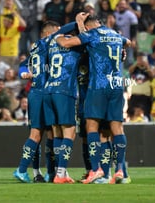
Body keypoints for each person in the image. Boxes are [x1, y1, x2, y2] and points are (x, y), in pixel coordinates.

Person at [56, 13, 131, 184]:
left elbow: (66, 42)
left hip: (99, 86)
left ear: (88, 26)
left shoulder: (91, 35)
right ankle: (120, 170)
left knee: (92, 127)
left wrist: (58, 35)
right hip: (117, 85)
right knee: (116, 128)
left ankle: (95, 169)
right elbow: (128, 42)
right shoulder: (115, 35)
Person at [13, 20, 76, 183]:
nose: (60, 34)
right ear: (49, 33)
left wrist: (23, 73)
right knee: (39, 134)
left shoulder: (38, 47)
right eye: (57, 31)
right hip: (44, 92)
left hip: (40, 92)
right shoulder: (49, 41)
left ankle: (51, 172)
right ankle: (24, 170)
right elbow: (22, 65)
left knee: (50, 132)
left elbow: (22, 64)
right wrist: (79, 20)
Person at [44, 22, 83, 184]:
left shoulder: (51, 42)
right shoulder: (75, 43)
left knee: (57, 132)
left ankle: (61, 171)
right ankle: (60, 173)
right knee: (70, 132)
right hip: (64, 90)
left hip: (48, 90)